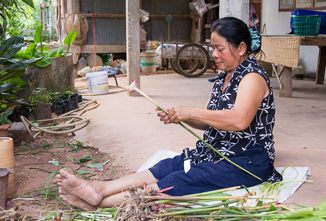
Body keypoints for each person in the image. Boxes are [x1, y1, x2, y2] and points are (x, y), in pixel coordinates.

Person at [55, 16, 282, 210]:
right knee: (167, 166)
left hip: (246, 161)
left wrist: (190, 111)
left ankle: (98, 203)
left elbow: (239, 120)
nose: (214, 54)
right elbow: (212, 123)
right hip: (217, 150)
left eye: (220, 48)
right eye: (213, 48)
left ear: (241, 48)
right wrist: (182, 117)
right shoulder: (225, 78)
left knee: (176, 180)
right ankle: (100, 188)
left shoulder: (252, 77)